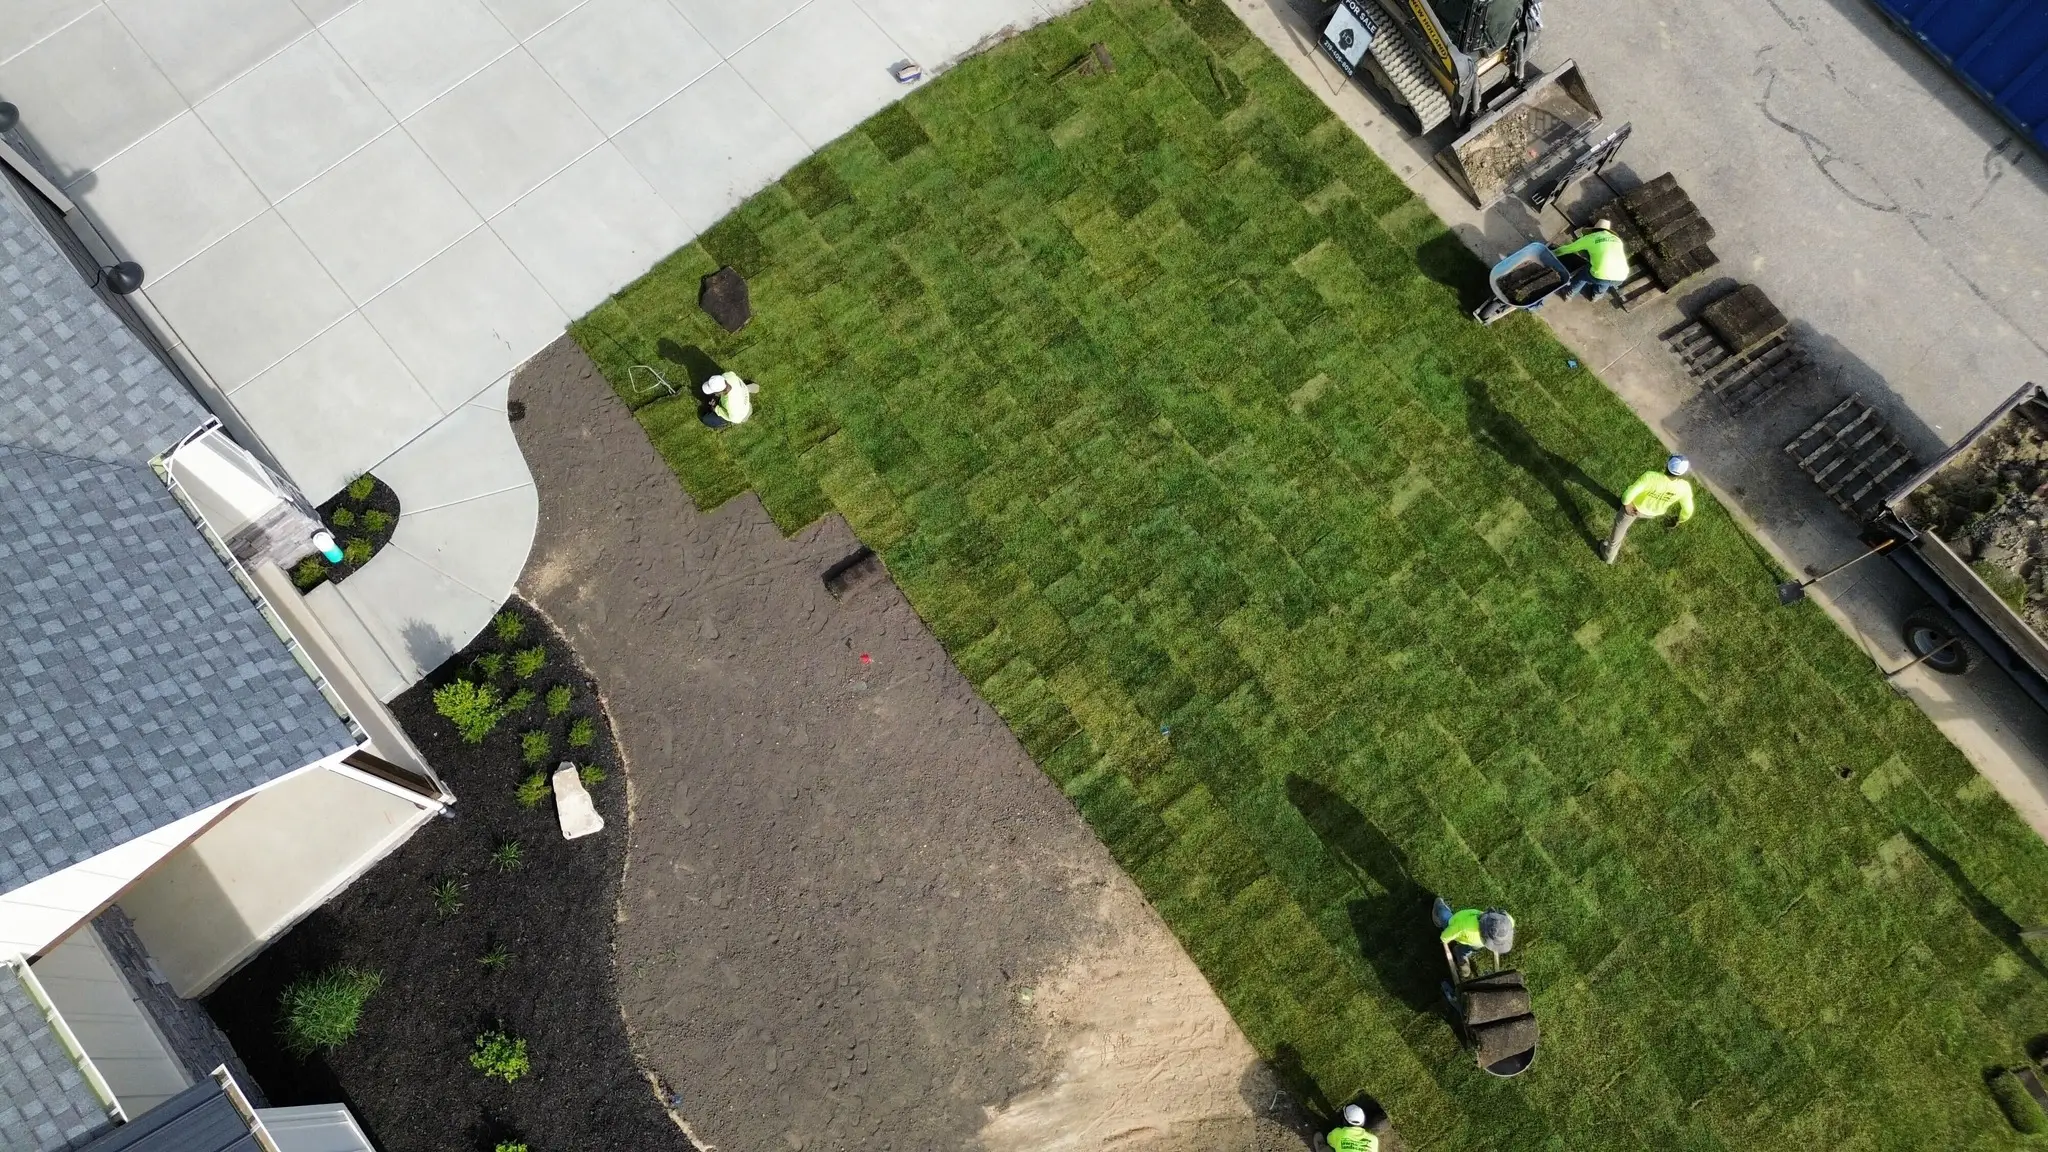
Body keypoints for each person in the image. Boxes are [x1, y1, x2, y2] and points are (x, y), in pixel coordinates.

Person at [1603, 454, 1695, 565]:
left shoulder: (1651, 477)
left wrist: (1627, 504)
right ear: (1682, 473)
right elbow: (1688, 510)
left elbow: (1629, 494)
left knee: (1619, 530)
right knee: (1634, 520)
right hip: (1652, 513)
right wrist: (1680, 519)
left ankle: (1608, 556)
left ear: (1667, 465)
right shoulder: (1684, 487)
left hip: (1633, 509)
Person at [1433, 897, 1515, 979]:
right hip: (1455, 924)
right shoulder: (1464, 927)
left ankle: (1459, 952)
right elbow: (1447, 935)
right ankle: (1439, 906)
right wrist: (1445, 940)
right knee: (1445, 919)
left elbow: (1510, 921)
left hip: (1474, 941)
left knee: (1474, 947)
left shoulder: (1507, 922)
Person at [1550, 218, 1629, 302]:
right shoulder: (1617, 240)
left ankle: (1568, 294)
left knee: (1584, 275)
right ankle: (1596, 297)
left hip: (1601, 273)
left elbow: (1568, 249)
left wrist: (1552, 253)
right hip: (1621, 275)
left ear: (1594, 230)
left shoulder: (1591, 237)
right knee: (1606, 279)